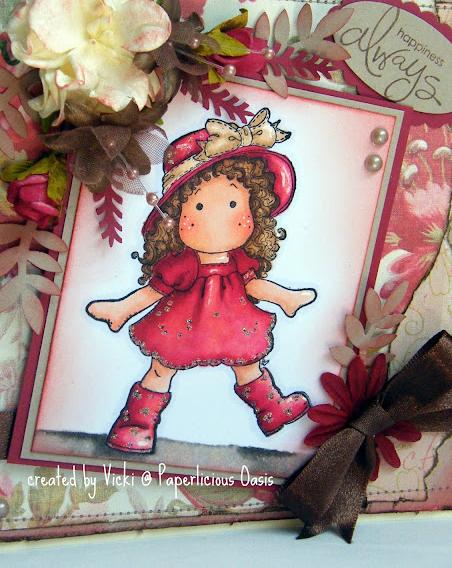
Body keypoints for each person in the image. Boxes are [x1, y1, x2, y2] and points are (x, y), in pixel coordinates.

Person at [87, 108, 316, 453]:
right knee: (161, 370)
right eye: (198, 208)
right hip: (183, 324)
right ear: (176, 216)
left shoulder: (239, 260)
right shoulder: (182, 263)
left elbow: (254, 285)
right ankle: (136, 424)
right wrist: (121, 308)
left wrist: (286, 297)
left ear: (254, 210)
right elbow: (154, 291)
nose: (217, 220)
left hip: (234, 322)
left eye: (234, 203)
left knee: (248, 362)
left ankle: (271, 409)